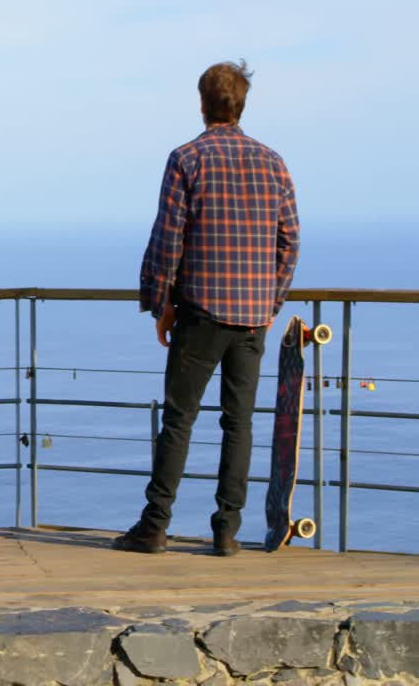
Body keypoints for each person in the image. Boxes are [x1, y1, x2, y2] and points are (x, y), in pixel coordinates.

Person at [114, 60, 299, 557]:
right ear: (241, 104)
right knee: (239, 423)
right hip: (252, 317)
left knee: (179, 420)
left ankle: (154, 527)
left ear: (202, 103)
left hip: (200, 310)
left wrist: (160, 304)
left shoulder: (186, 159)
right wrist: (270, 301)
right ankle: (226, 531)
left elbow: (168, 238)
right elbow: (290, 241)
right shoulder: (273, 162)